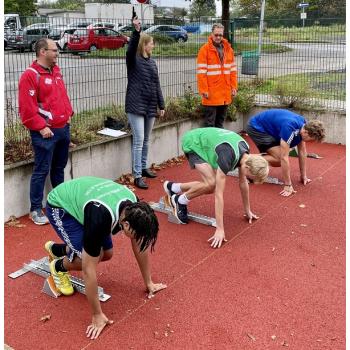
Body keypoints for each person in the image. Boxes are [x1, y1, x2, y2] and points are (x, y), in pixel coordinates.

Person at [44, 176, 167, 339]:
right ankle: (59, 267)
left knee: (107, 254)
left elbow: (139, 244)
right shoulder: (100, 218)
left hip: (87, 202)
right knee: (90, 258)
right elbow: (88, 270)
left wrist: (148, 282)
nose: (137, 239)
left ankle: (56, 249)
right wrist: (97, 315)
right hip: (62, 206)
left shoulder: (135, 207)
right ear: (127, 225)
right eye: (137, 235)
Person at [163, 128, 269, 249]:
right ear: (247, 168)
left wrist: (247, 210)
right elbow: (219, 195)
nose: (248, 179)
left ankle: (173, 187)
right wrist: (220, 229)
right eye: (250, 177)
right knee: (212, 184)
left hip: (204, 140)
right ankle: (179, 200)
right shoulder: (227, 157)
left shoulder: (246, 155)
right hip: (194, 143)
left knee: (210, 184)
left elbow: (243, 182)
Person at [18, 38, 73, 225]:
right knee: (41, 170)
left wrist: (69, 114)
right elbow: (27, 109)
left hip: (63, 129)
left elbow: (62, 96)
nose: (57, 53)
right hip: (45, 133)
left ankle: (60, 203)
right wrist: (41, 127)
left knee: (59, 168)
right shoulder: (30, 75)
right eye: (54, 50)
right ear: (43, 51)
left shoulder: (56, 71)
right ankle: (35, 209)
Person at [246, 109, 325, 197]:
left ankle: (250, 158)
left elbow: (302, 152)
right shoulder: (290, 128)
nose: (311, 142)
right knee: (279, 159)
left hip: (270, 129)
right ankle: (244, 159)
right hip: (257, 127)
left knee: (280, 155)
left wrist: (303, 176)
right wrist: (288, 185)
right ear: (306, 133)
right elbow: (284, 158)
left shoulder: (304, 126)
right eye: (312, 140)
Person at [125, 16, 165, 190]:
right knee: (139, 139)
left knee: (146, 139)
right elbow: (131, 48)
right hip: (135, 105)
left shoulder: (152, 63)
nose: (153, 46)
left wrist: (161, 105)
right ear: (144, 44)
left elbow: (156, 84)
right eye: (151, 43)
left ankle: (143, 167)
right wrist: (136, 31)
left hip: (149, 106)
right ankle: (137, 175)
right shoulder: (133, 60)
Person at [196, 23, 237, 129]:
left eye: (220, 35)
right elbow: (201, 73)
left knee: (220, 123)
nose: (218, 37)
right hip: (211, 94)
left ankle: (219, 145)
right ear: (211, 34)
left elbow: (232, 71)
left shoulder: (228, 50)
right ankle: (210, 145)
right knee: (210, 125)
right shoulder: (204, 50)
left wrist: (234, 87)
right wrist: (204, 90)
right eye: (216, 35)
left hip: (224, 93)